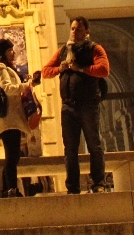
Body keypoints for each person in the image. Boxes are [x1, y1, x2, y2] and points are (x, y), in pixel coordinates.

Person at [42, 16, 111, 194]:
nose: (74, 32)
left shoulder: (94, 48)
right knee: (70, 149)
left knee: (94, 144)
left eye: (78, 29)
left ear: (86, 32)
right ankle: (73, 187)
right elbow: (45, 71)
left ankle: (99, 183)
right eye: (72, 29)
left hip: (88, 104)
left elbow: (104, 69)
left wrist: (80, 69)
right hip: (68, 106)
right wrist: (61, 69)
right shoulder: (63, 51)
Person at [0, 37, 39, 197]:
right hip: (8, 119)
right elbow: (8, 88)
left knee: (13, 155)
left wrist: (29, 83)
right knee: (12, 155)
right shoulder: (1, 68)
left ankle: (7, 189)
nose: (14, 52)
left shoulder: (6, 68)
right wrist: (25, 86)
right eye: (10, 49)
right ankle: (11, 189)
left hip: (11, 118)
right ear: (3, 52)